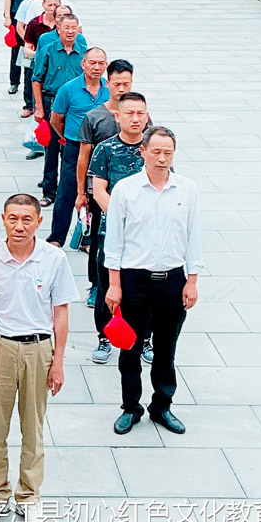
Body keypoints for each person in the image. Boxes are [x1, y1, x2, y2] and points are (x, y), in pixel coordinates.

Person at [0, 193, 77, 522]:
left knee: (33, 426)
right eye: (13, 218)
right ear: (2, 219)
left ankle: (29, 497)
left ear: (38, 222)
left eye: (26, 220)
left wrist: (58, 361)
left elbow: (60, 312)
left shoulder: (53, 258)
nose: (19, 226)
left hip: (38, 348)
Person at [103, 127, 203, 437]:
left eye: (168, 153)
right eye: (156, 151)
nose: (161, 158)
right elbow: (114, 242)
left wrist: (192, 281)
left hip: (172, 279)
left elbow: (194, 236)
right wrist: (114, 284)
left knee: (165, 347)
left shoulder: (187, 189)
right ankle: (130, 407)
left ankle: (162, 405)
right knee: (129, 348)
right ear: (143, 152)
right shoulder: (125, 189)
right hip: (134, 280)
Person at [88, 91, 154, 366]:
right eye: (129, 113)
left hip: (146, 237)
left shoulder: (153, 149)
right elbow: (98, 190)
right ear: (118, 115)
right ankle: (105, 337)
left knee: (146, 290)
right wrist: (121, 216)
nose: (135, 118)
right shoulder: (105, 149)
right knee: (108, 289)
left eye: (140, 113)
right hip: (110, 233)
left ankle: (146, 339)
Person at [76, 60, 142, 316]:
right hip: (102, 190)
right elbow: (83, 157)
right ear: (108, 83)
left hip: (135, 205)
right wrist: (82, 191)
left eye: (127, 83)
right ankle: (96, 284)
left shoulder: (139, 114)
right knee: (99, 242)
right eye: (117, 84)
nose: (122, 88)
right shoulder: (95, 117)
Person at [46, 47, 108, 246]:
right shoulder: (68, 89)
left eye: (101, 63)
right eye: (92, 63)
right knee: (67, 191)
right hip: (75, 147)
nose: (96, 67)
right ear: (83, 64)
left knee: (96, 192)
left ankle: (88, 238)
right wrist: (66, 137)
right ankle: (57, 237)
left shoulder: (109, 89)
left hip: (102, 148)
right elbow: (55, 118)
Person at [31, 11, 87, 207]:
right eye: (66, 28)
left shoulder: (83, 50)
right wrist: (38, 107)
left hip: (75, 106)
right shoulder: (48, 49)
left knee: (72, 149)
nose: (71, 32)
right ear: (58, 28)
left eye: (74, 28)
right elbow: (36, 80)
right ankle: (49, 191)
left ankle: (69, 190)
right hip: (52, 102)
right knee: (52, 147)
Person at [20, 0, 65, 160]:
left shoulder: (73, 34)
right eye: (50, 4)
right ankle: (37, 144)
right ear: (43, 5)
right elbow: (27, 49)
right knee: (42, 117)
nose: (53, 8)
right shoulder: (35, 24)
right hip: (42, 76)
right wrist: (42, 56)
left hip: (61, 84)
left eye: (56, 4)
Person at [4, 0, 45, 96]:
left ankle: (32, 82)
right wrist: (7, 16)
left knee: (33, 50)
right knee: (17, 50)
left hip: (38, 20)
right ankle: (14, 82)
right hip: (19, 19)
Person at [13, 0, 46, 118]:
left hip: (43, 46)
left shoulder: (49, 3)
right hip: (29, 45)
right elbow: (19, 26)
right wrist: (28, 41)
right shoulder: (26, 3)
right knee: (28, 74)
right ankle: (28, 105)